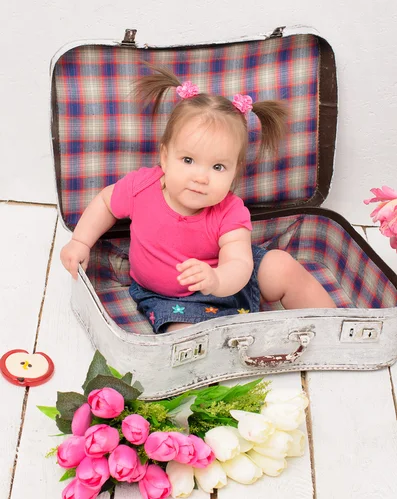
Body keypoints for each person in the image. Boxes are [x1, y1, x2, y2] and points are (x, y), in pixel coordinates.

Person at [60, 65, 336, 333]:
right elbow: (106, 203)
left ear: (235, 172)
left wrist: (216, 279)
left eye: (218, 167)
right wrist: (81, 242)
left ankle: (333, 323)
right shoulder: (142, 187)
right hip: (169, 299)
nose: (201, 177)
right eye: (189, 160)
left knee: (281, 266)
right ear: (165, 157)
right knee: (185, 338)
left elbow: (239, 264)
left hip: (229, 283)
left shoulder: (230, 212)